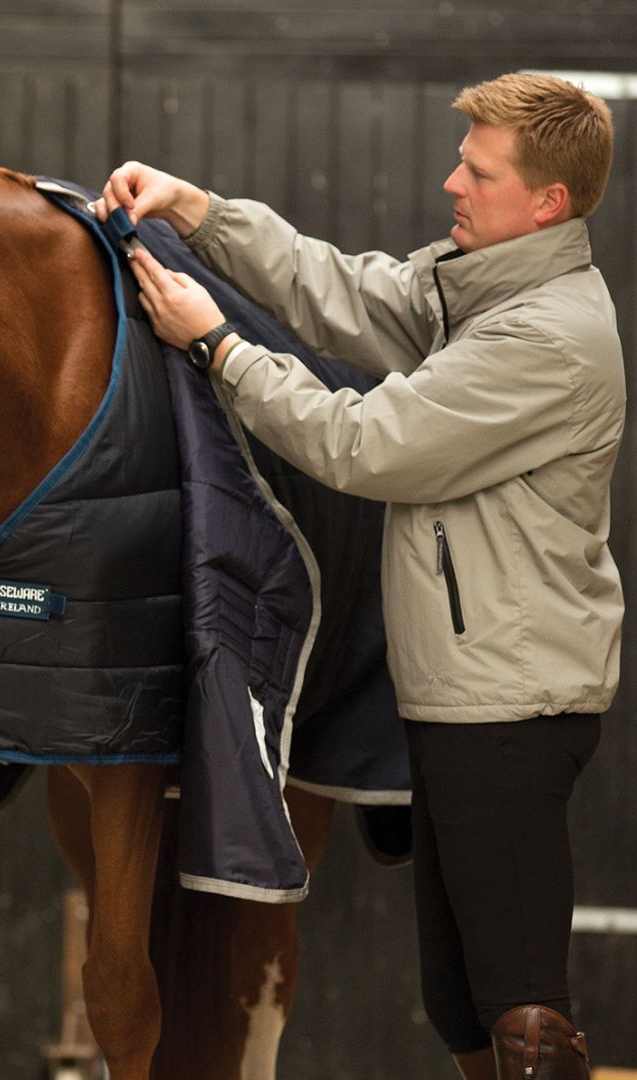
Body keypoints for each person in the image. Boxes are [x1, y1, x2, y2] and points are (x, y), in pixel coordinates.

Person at [98, 73, 622, 1079]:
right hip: (472, 699)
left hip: (512, 709)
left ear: (546, 202)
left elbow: (365, 445)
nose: (450, 182)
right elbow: (339, 288)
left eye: (478, 170)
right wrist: (198, 210)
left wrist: (215, 345)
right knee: (467, 1007)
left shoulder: (540, 338)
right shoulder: (485, 291)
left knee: (521, 1019)